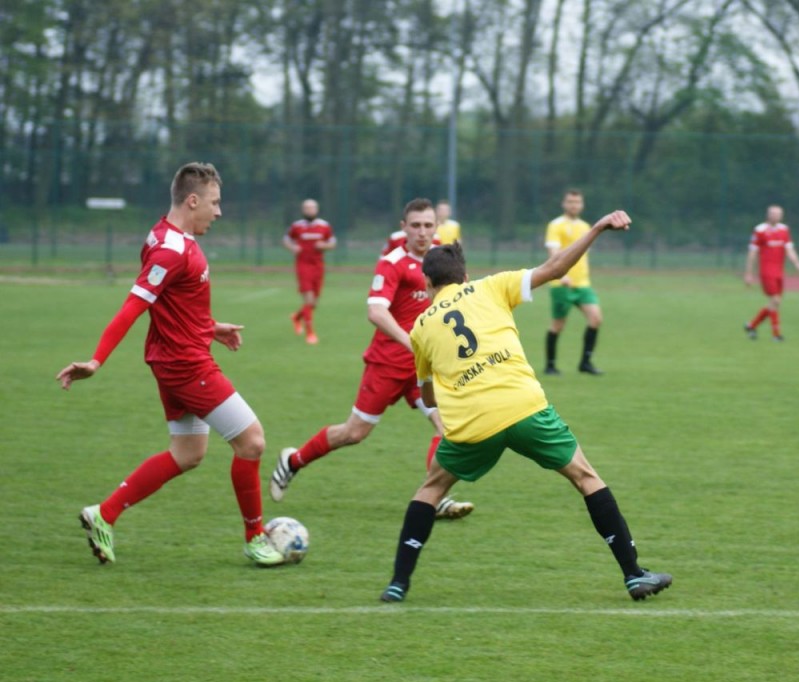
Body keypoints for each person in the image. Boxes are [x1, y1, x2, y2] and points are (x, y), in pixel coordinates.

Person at [379, 210, 672, 603]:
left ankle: (398, 583)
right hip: (525, 408)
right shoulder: (491, 286)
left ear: (428, 284)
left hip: (473, 424)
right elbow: (555, 267)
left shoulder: (420, 328)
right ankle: (633, 574)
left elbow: (428, 397)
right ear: (465, 275)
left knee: (431, 488)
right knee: (585, 477)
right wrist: (598, 228)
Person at [56, 162, 284, 567]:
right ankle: (255, 538)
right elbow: (133, 307)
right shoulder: (171, 250)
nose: (219, 212)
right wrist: (96, 360)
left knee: (187, 452)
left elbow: (172, 303)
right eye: (214, 203)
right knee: (252, 442)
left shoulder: (162, 235)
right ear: (192, 200)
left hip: (173, 357)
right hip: (186, 366)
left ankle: (103, 514)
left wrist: (209, 327)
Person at [270, 198, 473, 520]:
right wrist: (412, 343)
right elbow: (376, 312)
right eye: (416, 225)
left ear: (437, 226)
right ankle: (292, 461)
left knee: (446, 425)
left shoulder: (441, 259)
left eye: (428, 225)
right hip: (387, 363)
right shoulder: (393, 263)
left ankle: (433, 497)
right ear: (403, 227)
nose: (422, 232)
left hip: (423, 367)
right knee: (354, 433)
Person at [544, 189, 603, 375]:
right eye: (570, 202)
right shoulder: (556, 225)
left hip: (583, 284)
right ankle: (550, 365)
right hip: (561, 284)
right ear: (564, 204)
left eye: (577, 202)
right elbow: (553, 252)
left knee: (596, 319)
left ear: (582, 205)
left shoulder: (586, 227)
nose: (574, 205)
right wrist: (561, 275)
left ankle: (585, 363)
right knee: (558, 325)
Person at [743, 205, 799, 342]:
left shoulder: (784, 230)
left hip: (779, 272)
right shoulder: (760, 230)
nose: (776, 216)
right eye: (773, 213)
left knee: (775, 303)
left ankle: (752, 326)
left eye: (778, 214)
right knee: (775, 300)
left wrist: (797, 263)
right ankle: (776, 335)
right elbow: (752, 253)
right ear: (768, 215)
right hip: (766, 271)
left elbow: (789, 249)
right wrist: (748, 273)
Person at [283, 199, 336, 344]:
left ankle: (297, 317)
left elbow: (332, 243)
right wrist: (292, 247)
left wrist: (324, 246)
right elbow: (286, 239)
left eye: (312, 208)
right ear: (303, 210)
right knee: (309, 300)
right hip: (303, 265)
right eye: (307, 208)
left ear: (317, 210)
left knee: (313, 303)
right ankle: (310, 333)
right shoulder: (297, 226)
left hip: (318, 266)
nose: (309, 210)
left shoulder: (324, 226)